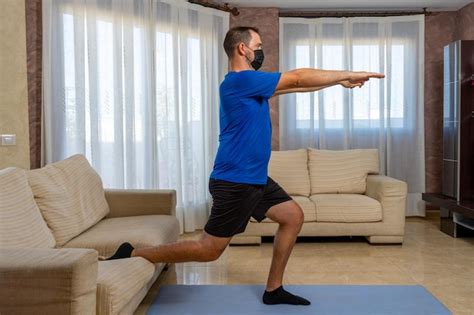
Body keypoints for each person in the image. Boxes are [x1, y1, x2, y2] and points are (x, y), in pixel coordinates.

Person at [107, 26, 385, 306]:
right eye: (258, 44)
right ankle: (133, 253)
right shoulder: (240, 82)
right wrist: (348, 74)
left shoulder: (251, 87)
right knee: (209, 250)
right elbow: (298, 78)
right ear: (243, 48)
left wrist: (337, 84)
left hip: (254, 178)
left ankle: (273, 290)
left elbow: (298, 86)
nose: (261, 50)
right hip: (235, 181)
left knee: (292, 216)